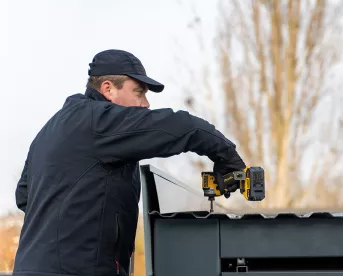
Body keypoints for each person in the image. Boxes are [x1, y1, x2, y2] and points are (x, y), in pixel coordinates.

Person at [12, 49, 246, 276]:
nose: (145, 103)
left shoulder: (51, 129)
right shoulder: (100, 121)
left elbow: (24, 196)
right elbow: (185, 127)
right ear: (108, 89)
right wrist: (229, 162)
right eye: (139, 92)